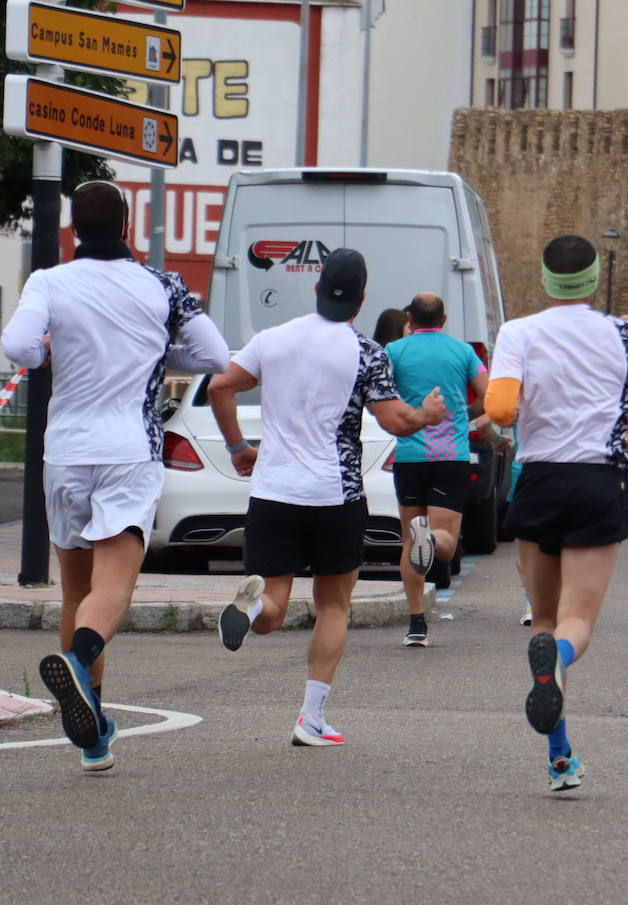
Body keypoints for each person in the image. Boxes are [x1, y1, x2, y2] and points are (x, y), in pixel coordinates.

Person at [0, 180, 229, 771]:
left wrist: (48, 351)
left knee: (76, 592)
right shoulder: (163, 285)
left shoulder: (49, 280)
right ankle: (78, 664)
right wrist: (158, 351)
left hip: (66, 453)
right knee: (115, 588)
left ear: (73, 229)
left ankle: (94, 734)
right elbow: (215, 358)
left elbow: (17, 346)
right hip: (129, 451)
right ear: (127, 226)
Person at [208, 248, 446, 747]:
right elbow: (394, 420)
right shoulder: (366, 353)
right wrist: (425, 414)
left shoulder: (271, 340)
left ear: (316, 289)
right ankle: (310, 719)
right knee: (334, 607)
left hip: (274, 492)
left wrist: (237, 447)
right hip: (335, 496)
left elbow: (220, 387)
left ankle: (250, 612)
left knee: (274, 603)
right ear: (361, 301)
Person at [484, 234, 628, 791]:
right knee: (577, 621)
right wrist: (613, 417)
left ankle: (560, 757)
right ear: (592, 280)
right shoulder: (627, 333)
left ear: (545, 280)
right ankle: (559, 657)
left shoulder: (518, 331)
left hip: (539, 479)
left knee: (541, 617)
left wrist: (536, 407)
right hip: (598, 478)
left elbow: (498, 408)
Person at [384, 292, 493, 647]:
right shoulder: (463, 351)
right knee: (444, 545)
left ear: (410, 319)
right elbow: (490, 396)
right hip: (451, 456)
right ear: (443, 320)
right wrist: (464, 414)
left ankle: (416, 624)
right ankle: (428, 539)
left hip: (409, 456)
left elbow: (382, 398)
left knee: (407, 540)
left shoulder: (394, 352)